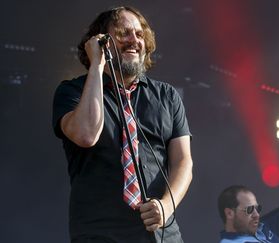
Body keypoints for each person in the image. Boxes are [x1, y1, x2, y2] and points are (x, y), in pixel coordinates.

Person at [52, 6, 193, 243]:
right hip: (100, 234)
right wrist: (97, 64)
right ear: (100, 42)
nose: (134, 40)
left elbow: (184, 161)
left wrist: (166, 206)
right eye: (123, 33)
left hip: (161, 235)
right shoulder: (72, 92)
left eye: (139, 34)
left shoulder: (167, 96)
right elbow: (86, 135)